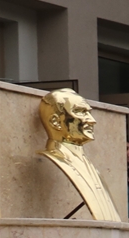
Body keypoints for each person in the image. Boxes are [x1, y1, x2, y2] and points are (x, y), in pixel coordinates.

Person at [35, 88, 121, 222]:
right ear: (56, 122)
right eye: (81, 112)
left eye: (89, 113)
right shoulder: (55, 158)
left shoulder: (88, 164)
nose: (92, 120)